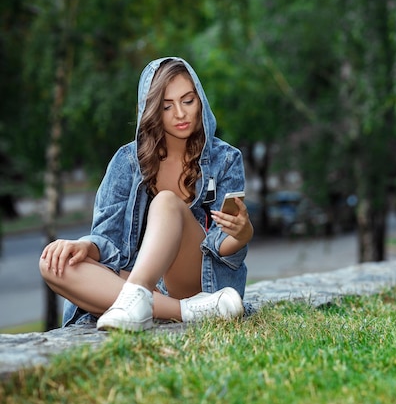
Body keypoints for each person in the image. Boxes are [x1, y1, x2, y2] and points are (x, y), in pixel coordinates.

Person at [39, 57, 253, 332]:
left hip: (199, 278)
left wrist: (243, 232)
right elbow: (109, 240)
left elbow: (222, 245)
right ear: (151, 110)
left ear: (200, 100)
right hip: (157, 289)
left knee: (165, 202)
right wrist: (85, 247)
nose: (180, 113)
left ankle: (140, 299)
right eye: (167, 106)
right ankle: (184, 312)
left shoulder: (225, 159)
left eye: (188, 101)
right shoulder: (126, 162)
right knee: (55, 263)